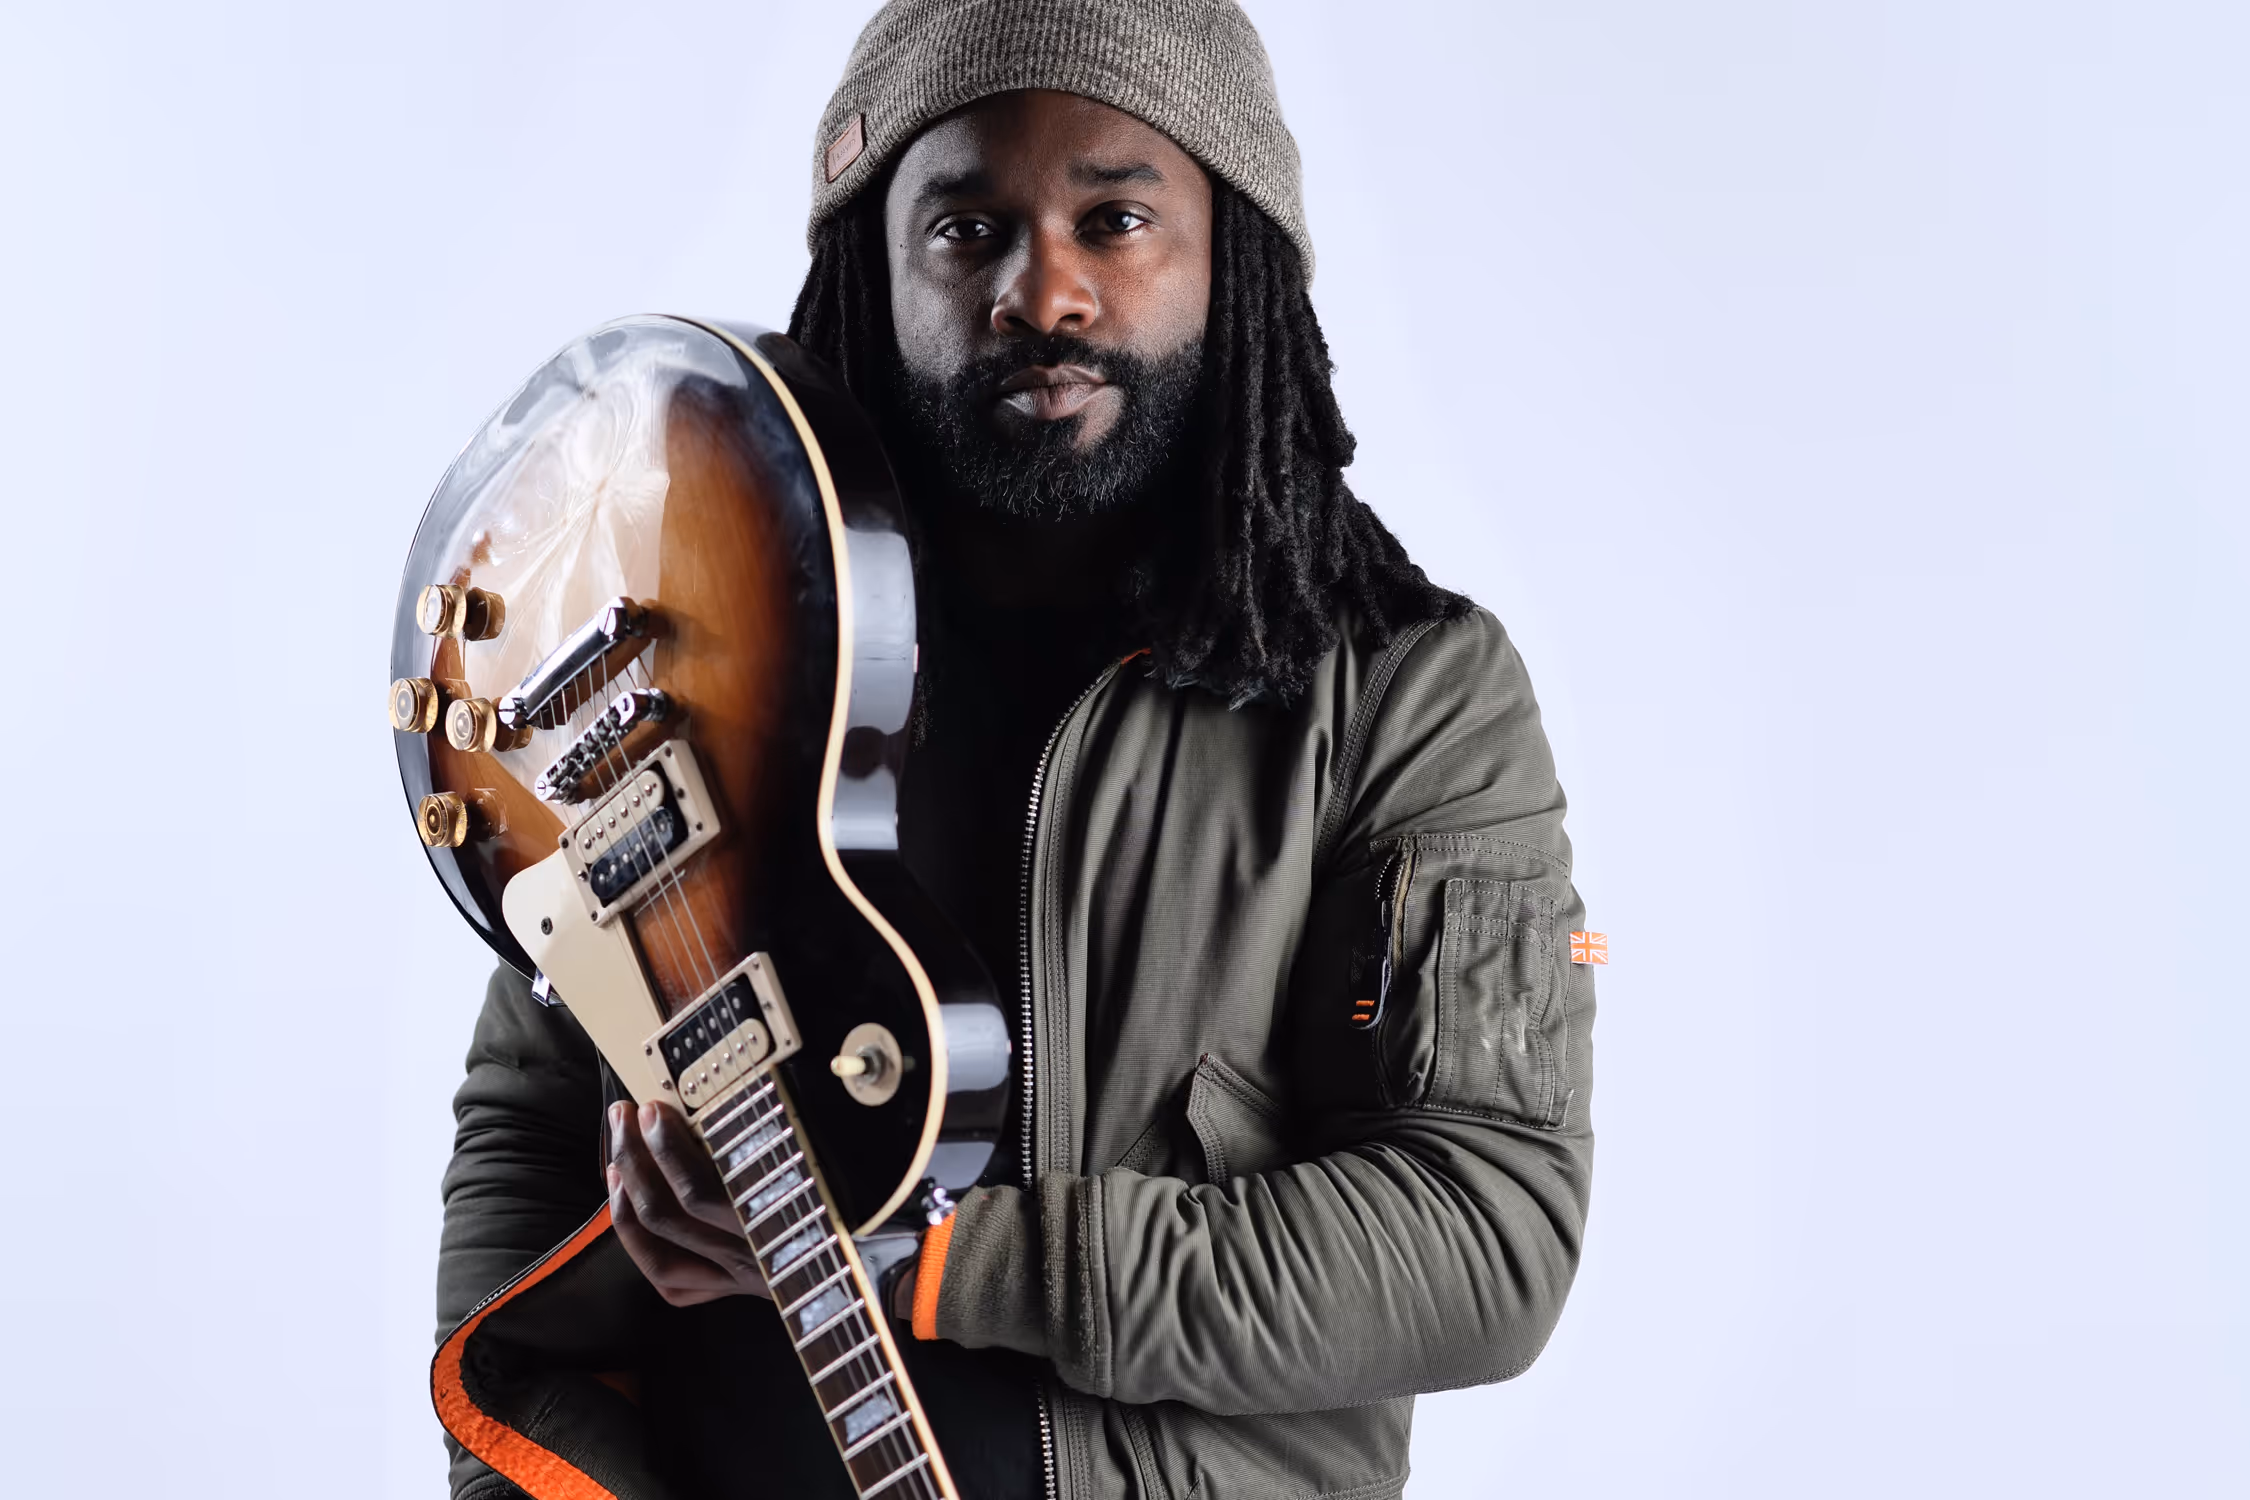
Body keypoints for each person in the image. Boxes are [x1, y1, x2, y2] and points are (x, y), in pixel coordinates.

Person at [434, 4, 1597, 1498]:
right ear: (873, 265)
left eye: (1113, 219)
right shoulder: (699, 649)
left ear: (1230, 252)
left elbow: (1480, 1233)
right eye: (964, 227)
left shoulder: (1409, 694)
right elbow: (529, 1122)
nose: (1039, 291)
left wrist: (941, 1261)